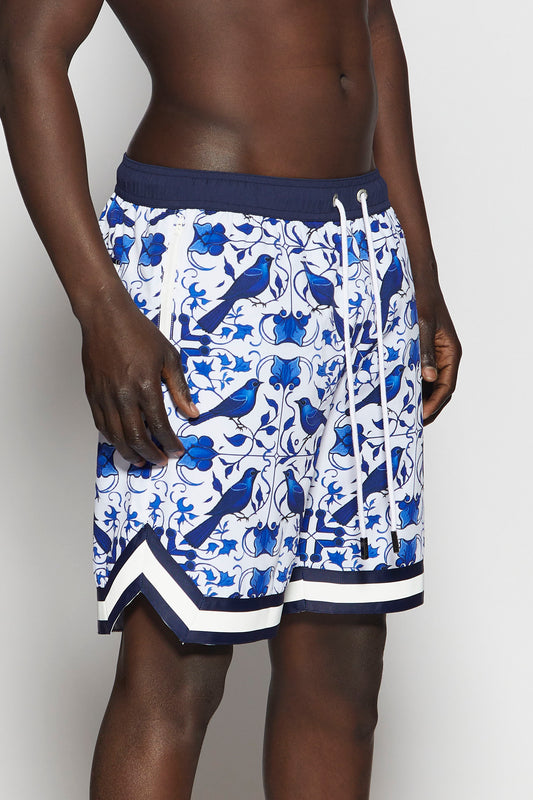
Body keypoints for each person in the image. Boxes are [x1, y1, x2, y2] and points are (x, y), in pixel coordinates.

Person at [0, 1, 461, 797]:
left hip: (362, 257)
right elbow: (25, 53)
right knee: (178, 665)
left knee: (344, 665)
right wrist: (101, 306)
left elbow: (373, 24)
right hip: (212, 260)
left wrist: (417, 271)